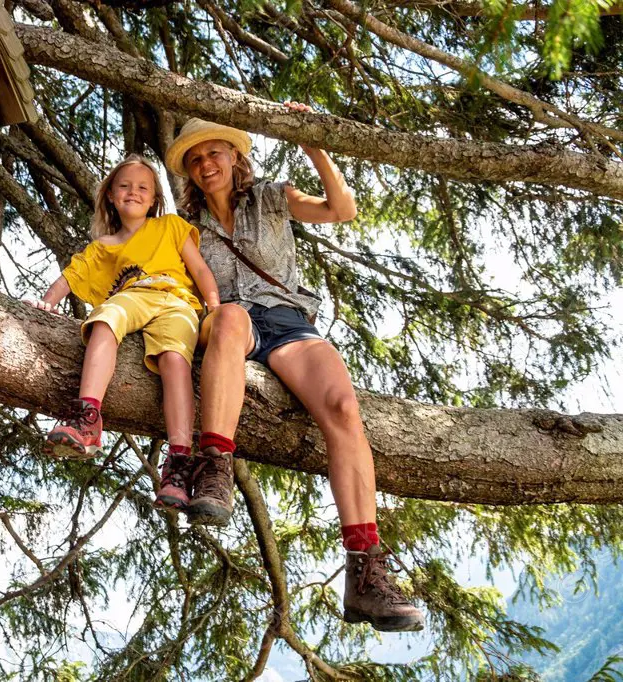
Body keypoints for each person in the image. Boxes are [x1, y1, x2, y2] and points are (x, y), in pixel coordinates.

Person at [162, 109, 425, 632]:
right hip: (226, 325)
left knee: (344, 409)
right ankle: (214, 469)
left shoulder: (273, 198)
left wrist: (313, 146)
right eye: (194, 160)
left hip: (286, 322)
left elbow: (341, 210)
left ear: (236, 157)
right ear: (189, 173)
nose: (205, 163)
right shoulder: (186, 228)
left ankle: (366, 570)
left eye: (214, 152)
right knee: (232, 317)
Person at [29, 154, 221, 513]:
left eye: (143, 187)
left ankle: (178, 462)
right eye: (125, 186)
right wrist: (47, 303)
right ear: (112, 196)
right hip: (131, 297)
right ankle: (87, 418)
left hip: (176, 301)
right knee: (104, 320)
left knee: (175, 359)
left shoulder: (171, 227)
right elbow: (71, 276)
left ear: (154, 199)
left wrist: (214, 307)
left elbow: (200, 269)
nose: (134, 192)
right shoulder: (104, 245)